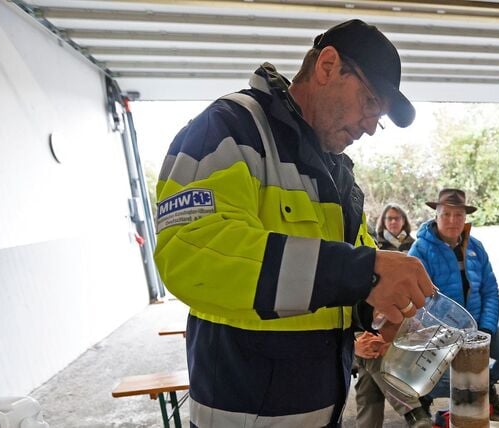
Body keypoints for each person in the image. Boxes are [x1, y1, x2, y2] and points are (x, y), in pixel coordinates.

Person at [153, 20, 437, 427]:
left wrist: (376, 306)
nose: (372, 125)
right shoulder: (230, 129)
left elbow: (328, 282)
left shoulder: (337, 173)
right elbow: (190, 254)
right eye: (371, 102)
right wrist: (363, 270)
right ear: (327, 66)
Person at [408, 188, 499, 417]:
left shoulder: (476, 247)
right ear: (436, 215)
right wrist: (449, 334)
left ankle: (486, 385)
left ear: (465, 218)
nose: (453, 220)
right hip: (441, 334)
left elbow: (490, 290)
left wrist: (486, 329)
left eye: (459, 215)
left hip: (477, 328)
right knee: (452, 380)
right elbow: (418, 301)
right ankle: (425, 396)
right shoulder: (420, 250)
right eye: (446, 214)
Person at [353, 325, 433, 427]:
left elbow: (419, 327)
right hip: (346, 346)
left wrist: (392, 340)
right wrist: (354, 346)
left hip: (424, 358)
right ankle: (413, 412)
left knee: (368, 384)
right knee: (371, 349)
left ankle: (414, 412)